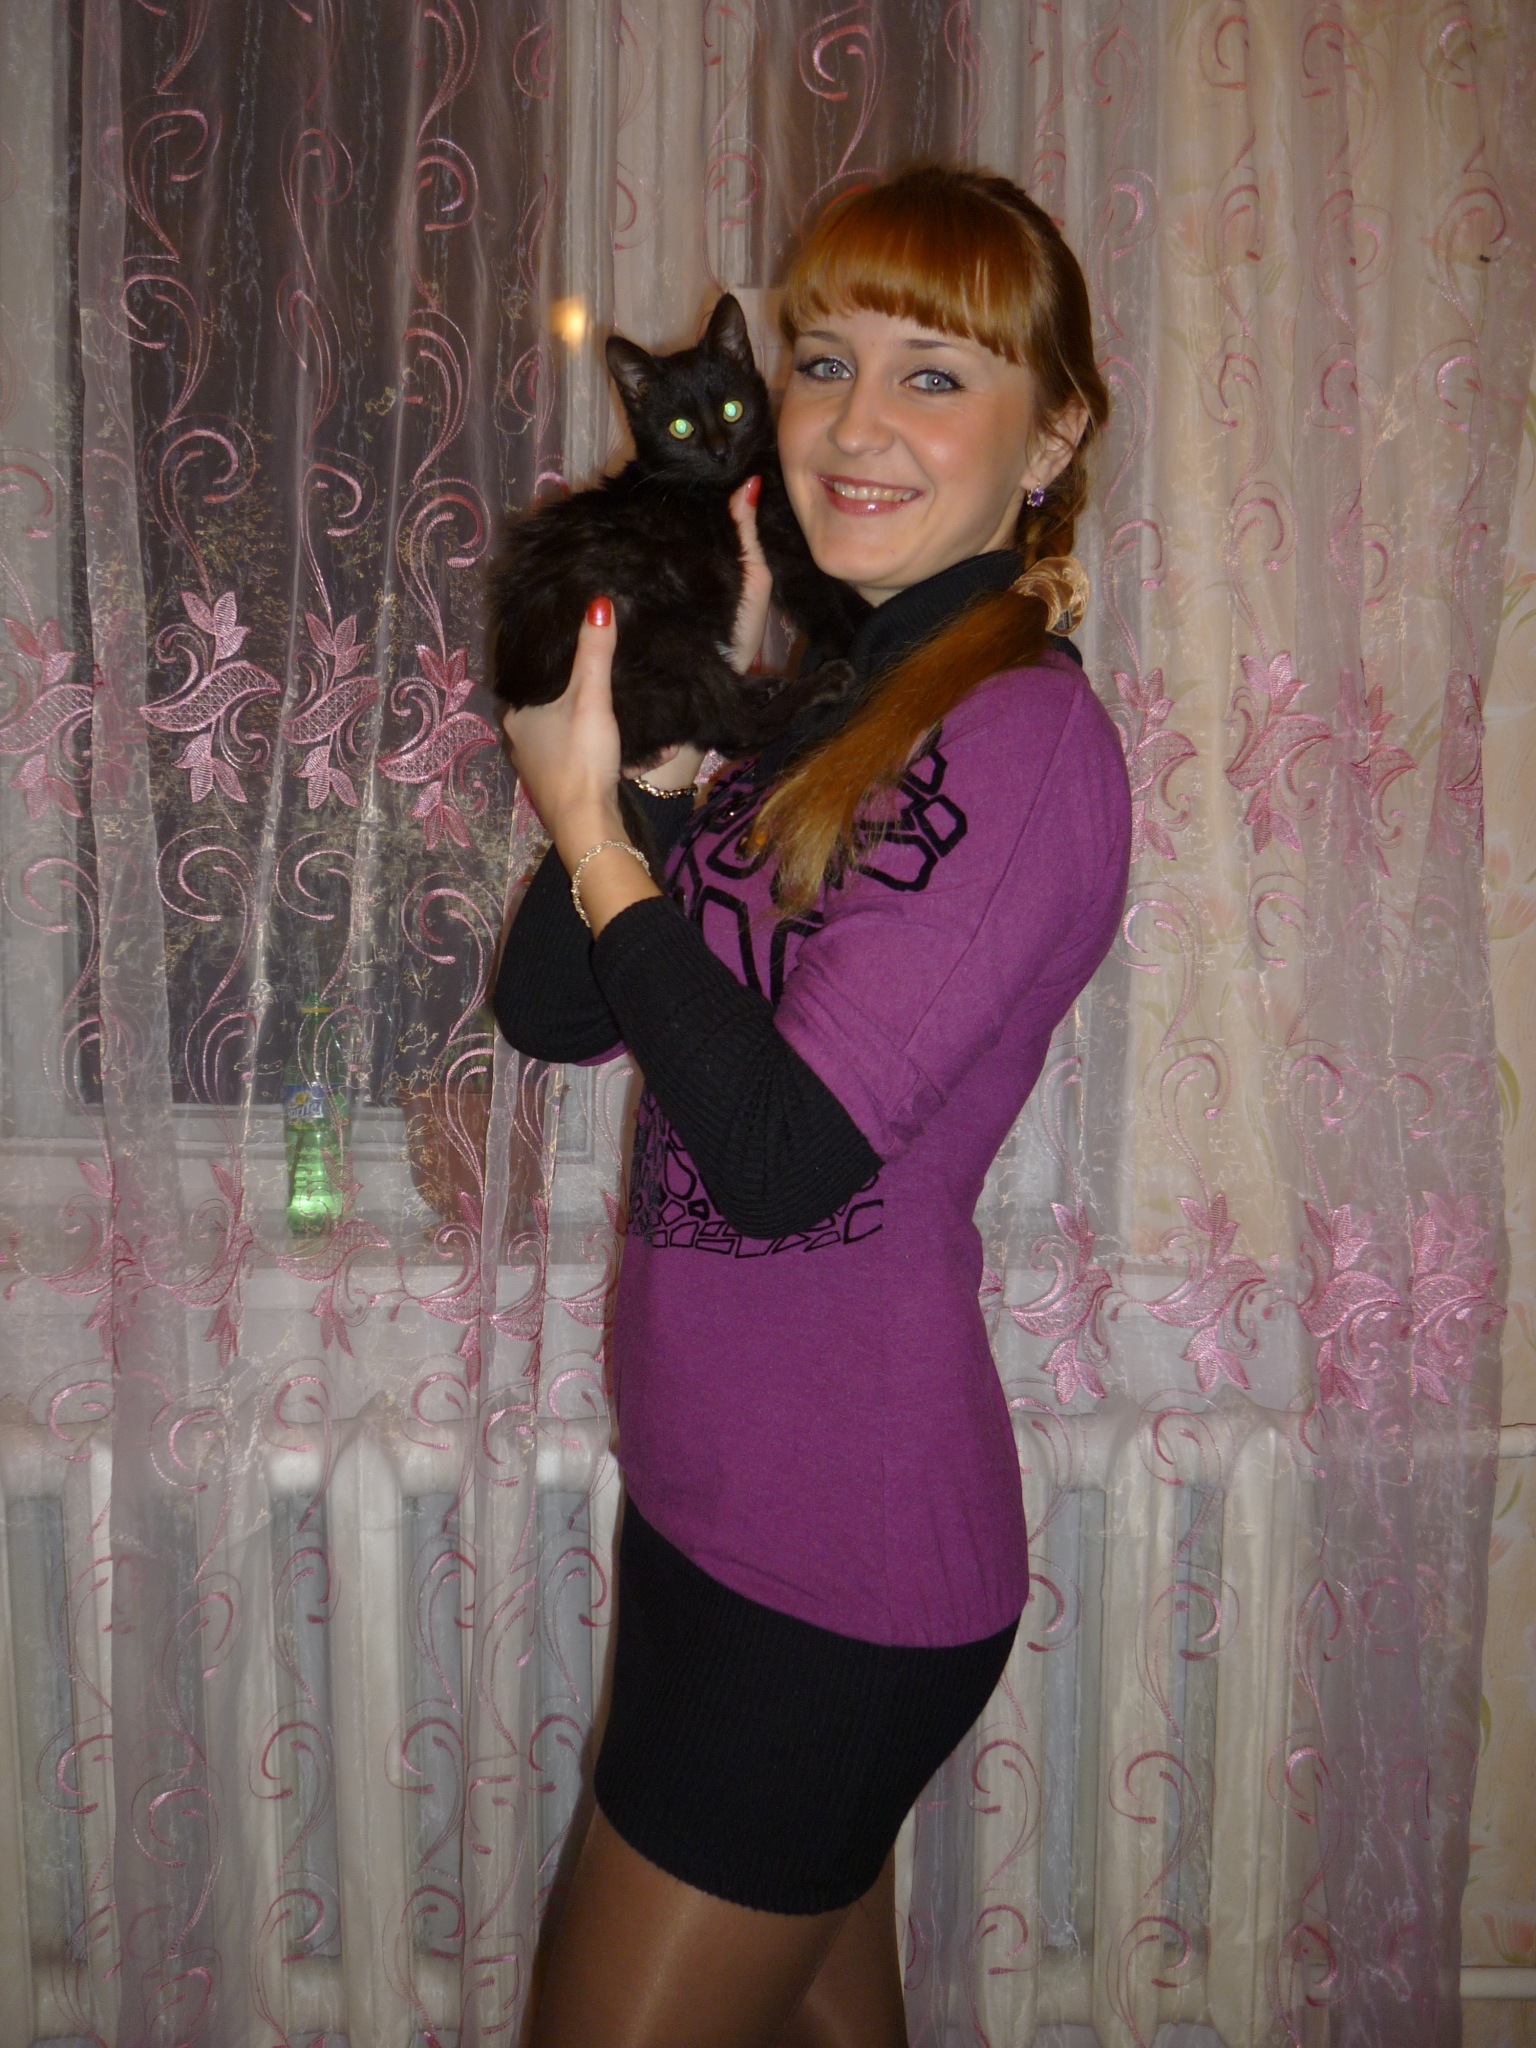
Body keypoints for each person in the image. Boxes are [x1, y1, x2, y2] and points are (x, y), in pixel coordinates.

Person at [495, 164, 1131, 2048]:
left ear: (1051, 437)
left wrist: (595, 834)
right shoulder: (818, 709)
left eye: (936, 376)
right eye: (825, 362)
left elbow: (780, 1162)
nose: (855, 424)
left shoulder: (1021, 741)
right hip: (711, 1510)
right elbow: (551, 1012)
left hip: (835, 1566)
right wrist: (652, 768)